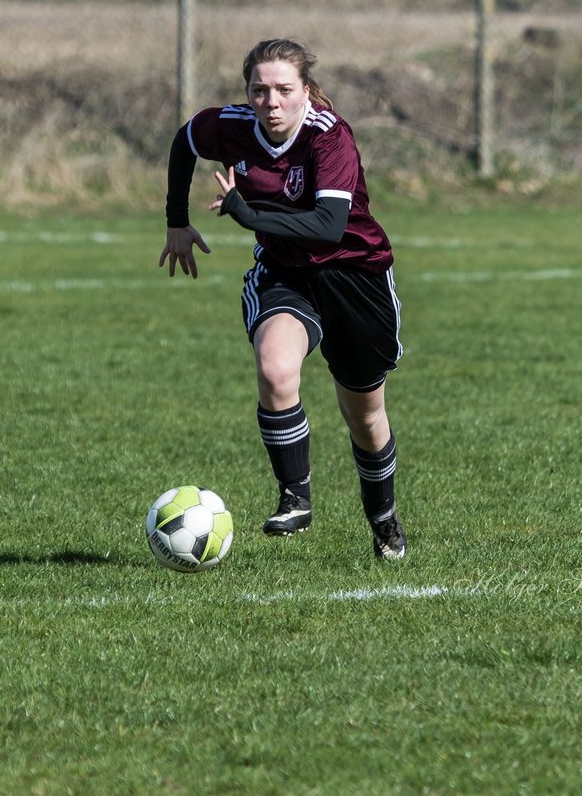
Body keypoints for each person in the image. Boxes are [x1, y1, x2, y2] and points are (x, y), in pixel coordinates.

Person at [158, 37, 406, 560]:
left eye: (283, 90)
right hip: (285, 274)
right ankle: (295, 496)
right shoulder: (229, 126)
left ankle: (383, 520)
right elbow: (184, 141)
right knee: (275, 369)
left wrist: (248, 216)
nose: (271, 102)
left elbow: (328, 226)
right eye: (259, 90)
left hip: (355, 277)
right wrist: (176, 222)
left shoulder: (330, 136)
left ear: (306, 91)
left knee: (363, 415)